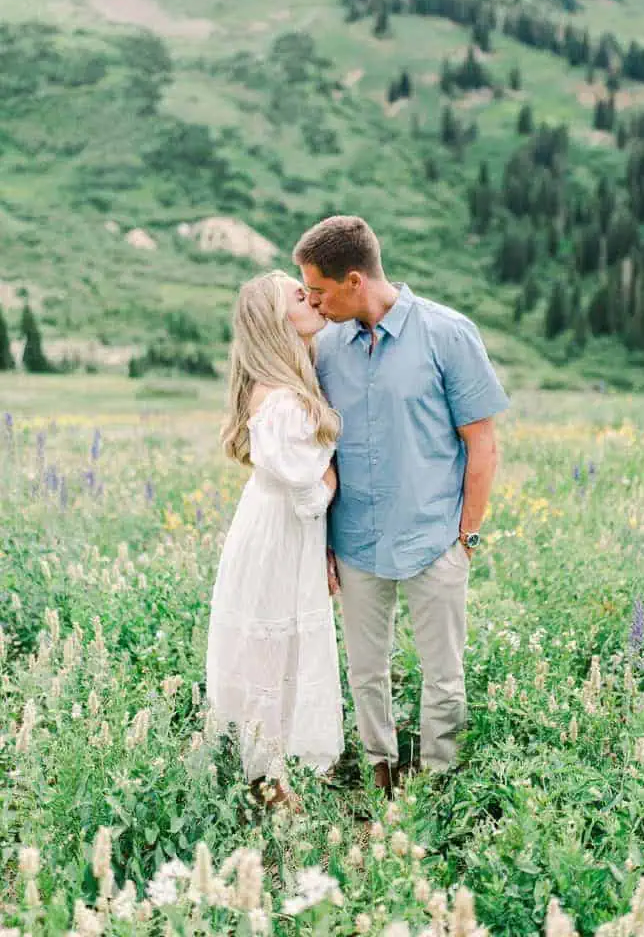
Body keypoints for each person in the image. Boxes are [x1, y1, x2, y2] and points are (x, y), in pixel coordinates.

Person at [293, 216, 510, 797]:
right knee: (367, 672)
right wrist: (324, 544)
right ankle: (380, 774)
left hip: (433, 538)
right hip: (356, 543)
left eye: (319, 290)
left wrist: (467, 535)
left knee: (444, 676)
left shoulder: (448, 333)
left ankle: (440, 786)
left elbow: (482, 442)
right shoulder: (327, 347)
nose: (312, 303)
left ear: (355, 280)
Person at [205, 270, 344, 810]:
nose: (310, 298)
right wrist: (335, 477)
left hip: (276, 527)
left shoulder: (288, 387)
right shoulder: (283, 399)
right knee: (273, 645)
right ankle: (269, 779)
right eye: (297, 294)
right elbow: (308, 493)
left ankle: (272, 771)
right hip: (279, 532)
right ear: (275, 319)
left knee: (279, 645)